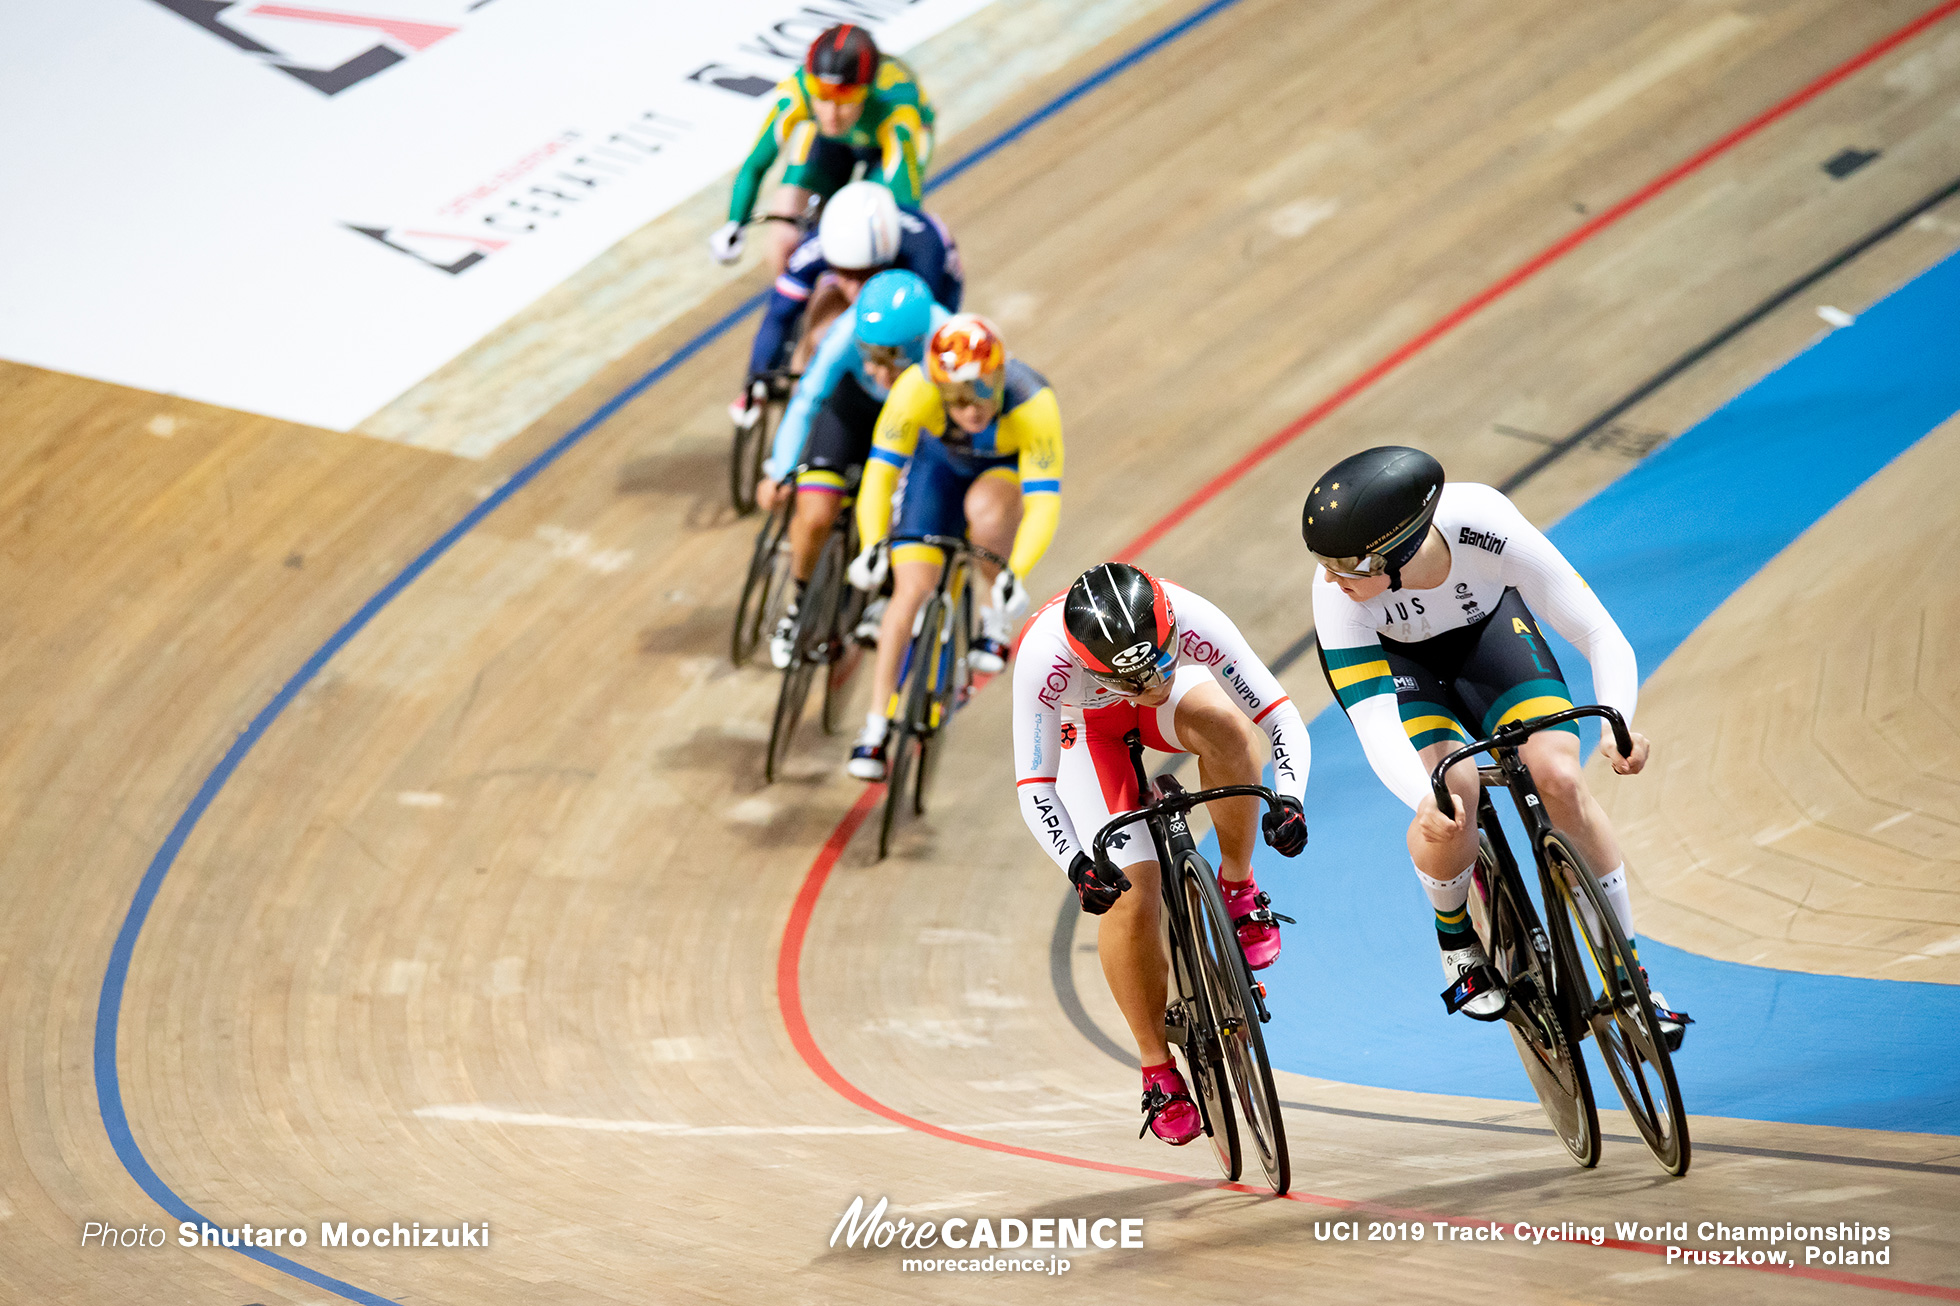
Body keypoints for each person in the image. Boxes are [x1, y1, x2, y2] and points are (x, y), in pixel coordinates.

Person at [1304, 446, 1689, 1046]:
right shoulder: (1335, 598)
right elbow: (1374, 718)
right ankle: (1457, 938)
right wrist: (1430, 798)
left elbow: (1594, 629)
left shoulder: (1485, 522)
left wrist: (1620, 723)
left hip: (1491, 642)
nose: (1330, 577)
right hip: (1404, 671)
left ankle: (1628, 979)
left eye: (1346, 564)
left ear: (1399, 548)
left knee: (1560, 779)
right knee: (1453, 798)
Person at [1012, 563, 1310, 1145]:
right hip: (1087, 726)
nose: (1151, 681)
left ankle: (1238, 885)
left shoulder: (1194, 616)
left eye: (1159, 661)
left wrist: (1291, 798)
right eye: (1134, 678)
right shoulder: (1044, 663)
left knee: (1229, 729)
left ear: (1170, 627)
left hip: (1168, 707)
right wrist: (1077, 865)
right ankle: (1157, 1070)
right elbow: (1036, 786)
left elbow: (1278, 717)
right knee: (1131, 891)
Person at [844, 316, 1060, 779]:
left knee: (986, 514)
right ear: (939, 390)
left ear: (1002, 377)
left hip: (997, 475)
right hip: (935, 471)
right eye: (957, 397)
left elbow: (1043, 503)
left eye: (983, 389)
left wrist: (1013, 573)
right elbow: (881, 473)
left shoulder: (1033, 404)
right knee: (908, 592)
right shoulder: (913, 391)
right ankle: (875, 728)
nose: (971, 407)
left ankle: (993, 616)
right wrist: (871, 545)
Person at [758, 269, 950, 668]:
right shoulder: (847, 333)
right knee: (814, 516)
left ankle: (885, 594)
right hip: (852, 410)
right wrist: (780, 470)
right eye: (871, 355)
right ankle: (799, 601)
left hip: (916, 416)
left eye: (890, 359)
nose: (879, 369)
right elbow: (808, 398)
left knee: (912, 507)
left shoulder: (944, 340)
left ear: (917, 344)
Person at [709, 24, 935, 278]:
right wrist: (734, 223)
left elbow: (905, 211)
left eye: (845, 99)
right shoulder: (798, 91)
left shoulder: (897, 111)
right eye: (822, 96)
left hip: (886, 148)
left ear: (867, 91)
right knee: (783, 242)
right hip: (827, 142)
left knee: (873, 243)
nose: (830, 114)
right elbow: (756, 165)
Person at [737, 181, 962, 426]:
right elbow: (779, 314)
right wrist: (757, 376)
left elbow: (927, 330)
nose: (856, 287)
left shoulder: (923, 251)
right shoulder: (817, 248)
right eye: (846, 274)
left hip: (930, 282)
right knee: (821, 332)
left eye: (865, 273)